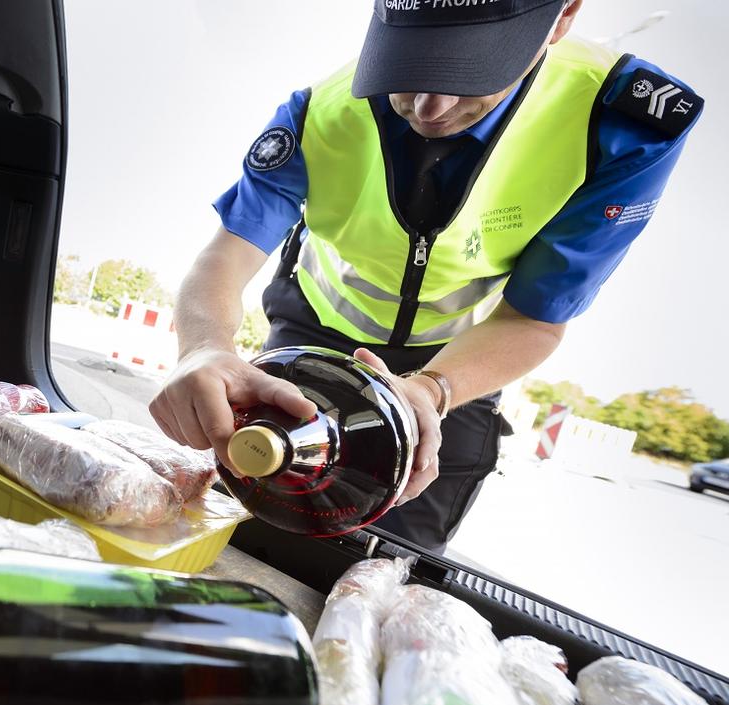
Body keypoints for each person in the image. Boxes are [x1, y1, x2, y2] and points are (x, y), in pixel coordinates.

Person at [149, 0, 702, 554]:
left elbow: (535, 320)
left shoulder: (624, 125)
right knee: (254, 530)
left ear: (562, 17)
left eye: (469, 73)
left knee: (392, 562)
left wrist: (432, 389)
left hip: (457, 364)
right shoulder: (320, 111)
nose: (427, 107)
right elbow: (226, 254)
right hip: (312, 340)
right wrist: (202, 348)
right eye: (407, 67)